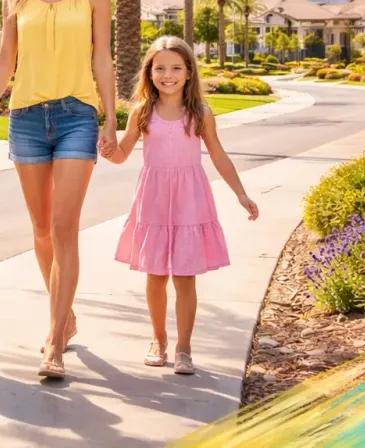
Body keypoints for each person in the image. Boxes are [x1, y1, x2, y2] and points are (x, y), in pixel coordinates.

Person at [0, 0, 117, 380]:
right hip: (27, 118)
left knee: (63, 229)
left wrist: (110, 117)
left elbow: (103, 58)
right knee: (40, 231)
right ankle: (67, 315)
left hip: (78, 114)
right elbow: (5, 62)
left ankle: (54, 342)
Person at [103, 36, 259, 375]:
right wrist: (106, 144)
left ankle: (184, 348)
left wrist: (241, 193)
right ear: (149, 72)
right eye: (160, 68)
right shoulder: (142, 112)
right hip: (155, 200)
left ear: (189, 72)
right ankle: (158, 340)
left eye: (176, 68)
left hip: (190, 200)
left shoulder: (200, 113)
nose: (167, 75)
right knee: (156, 275)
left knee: (185, 277)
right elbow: (121, 155)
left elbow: (218, 155)